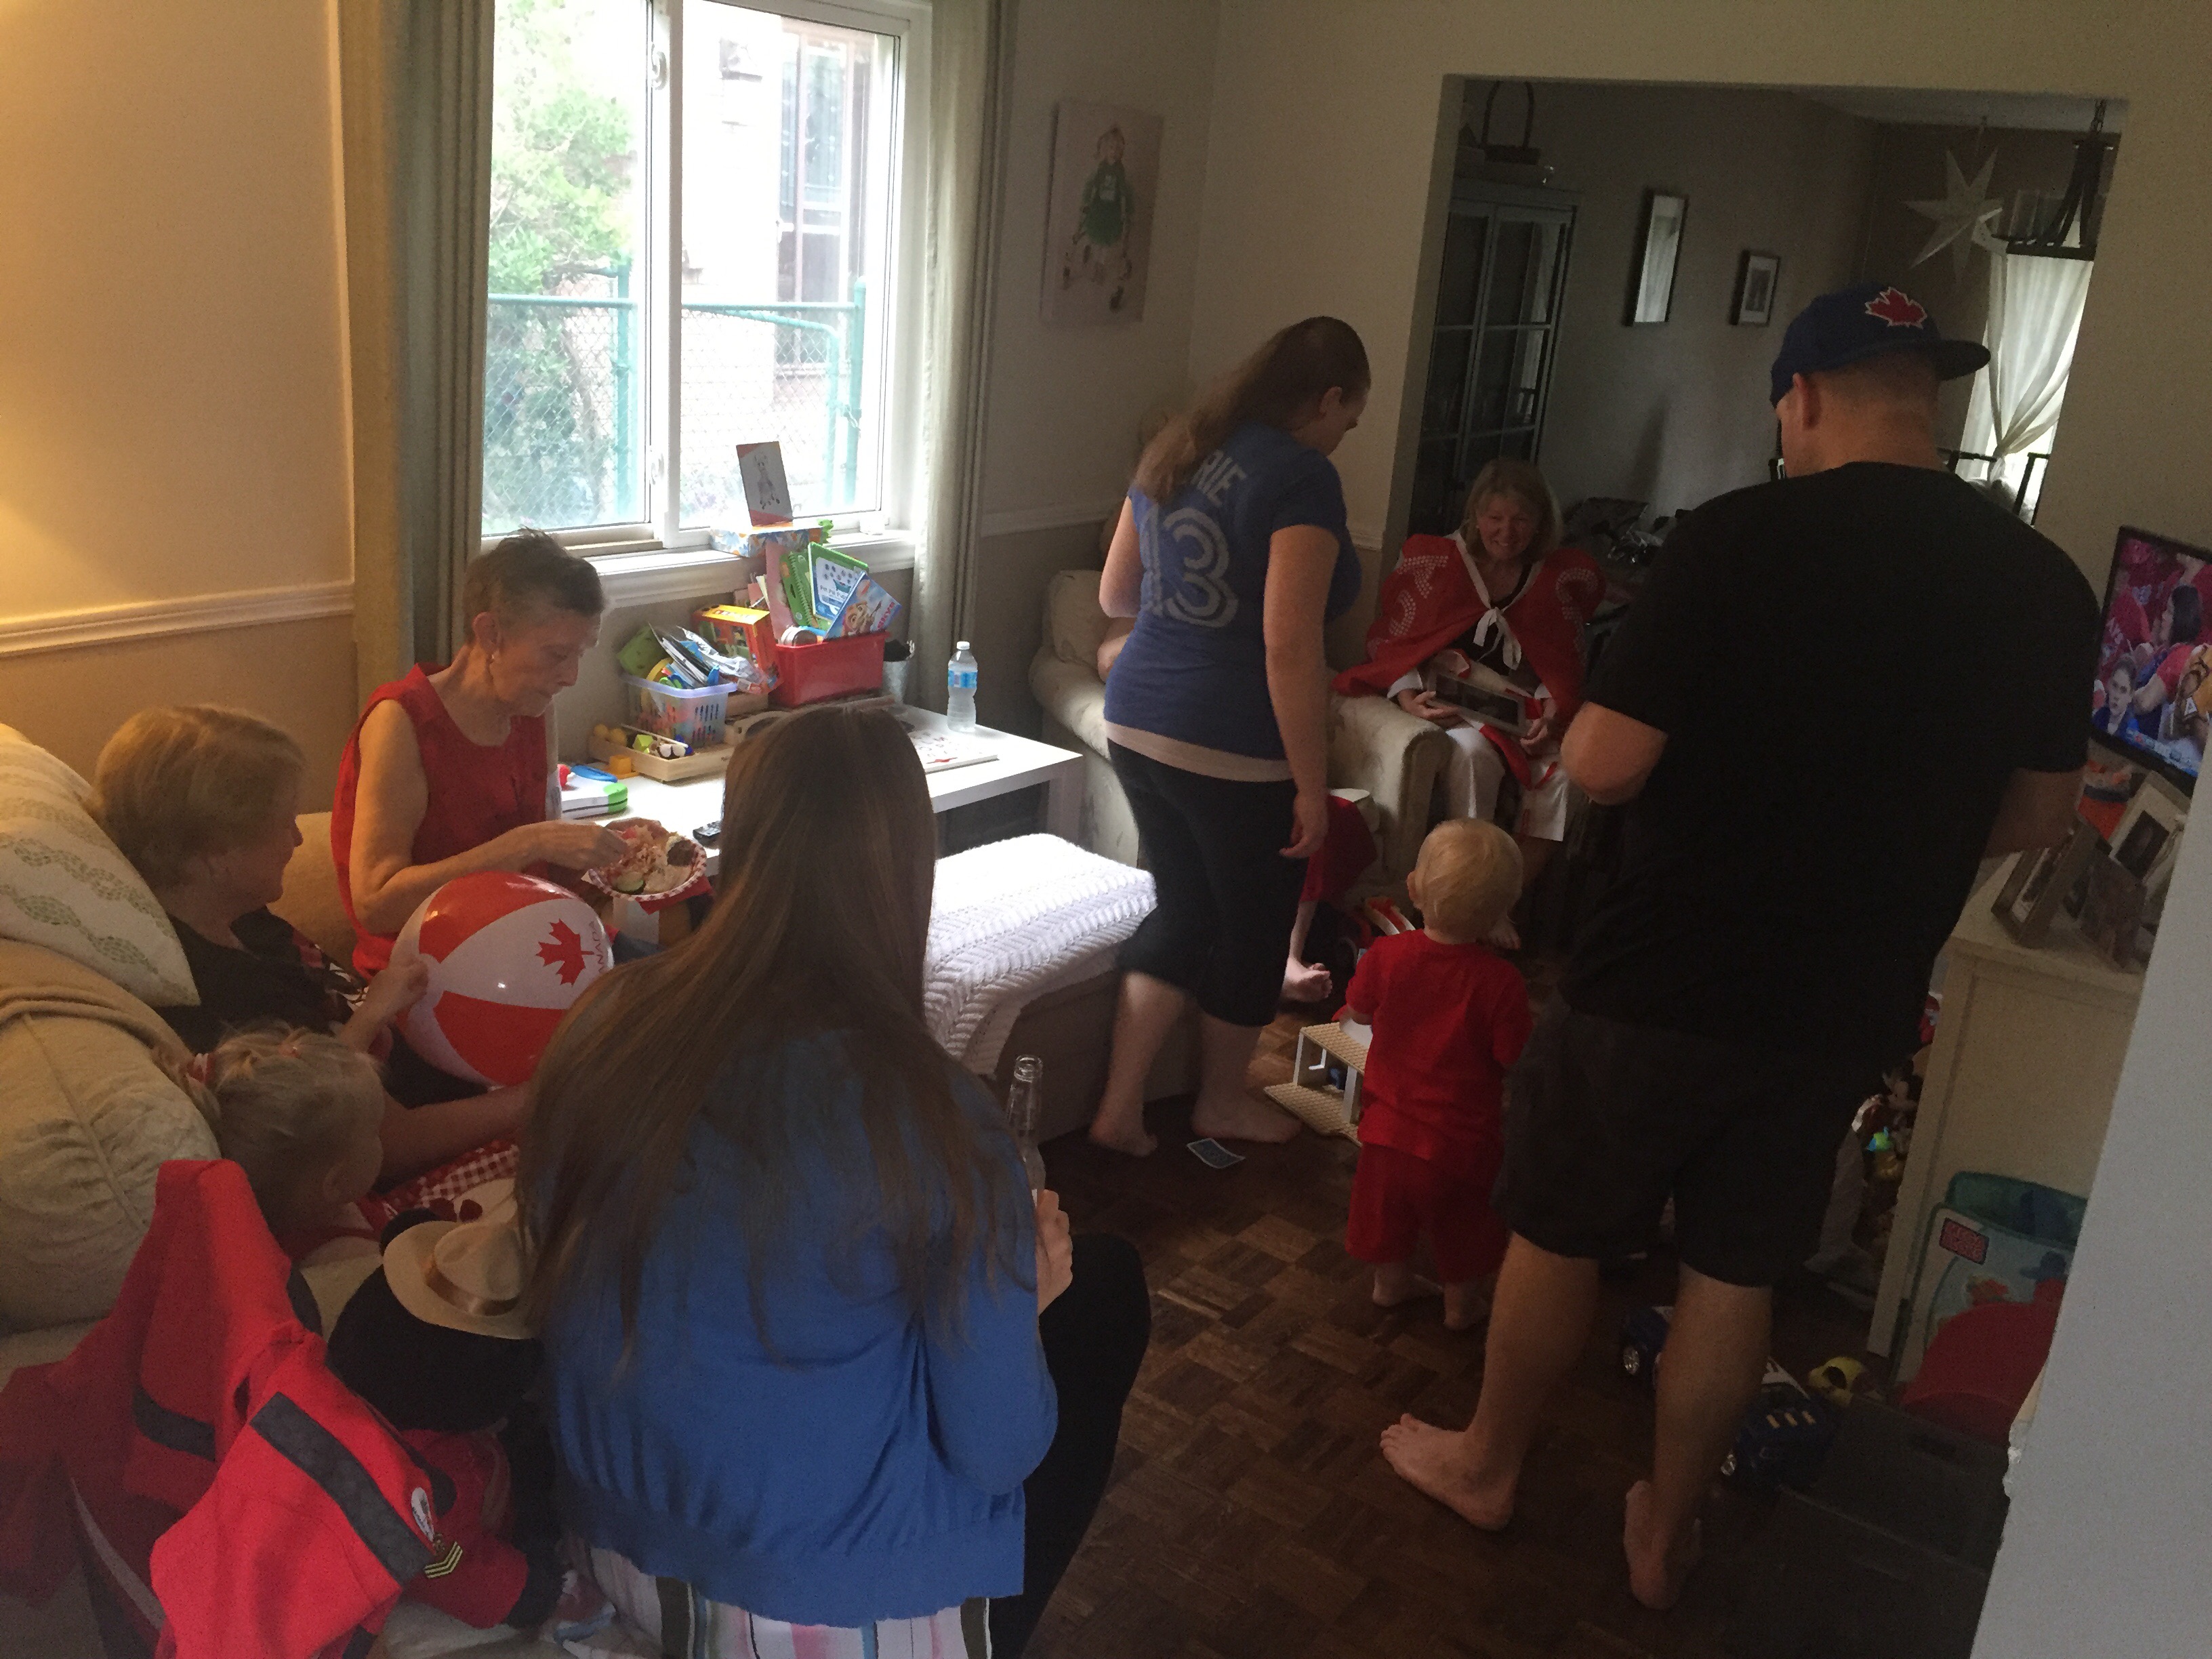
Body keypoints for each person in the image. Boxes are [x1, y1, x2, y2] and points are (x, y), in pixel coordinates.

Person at [1378, 283, 2099, 1611]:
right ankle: (1663, 1532)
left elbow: (1604, 765)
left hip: (1661, 971)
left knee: (1559, 1228)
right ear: (1925, 396)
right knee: (1733, 1267)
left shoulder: (1733, 540)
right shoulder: (2043, 581)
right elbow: (2040, 814)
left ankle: (1487, 1464)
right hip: (1844, 996)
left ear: (1800, 397)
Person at [521, 707, 1148, 1658]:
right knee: (1101, 1294)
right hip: (821, 1607)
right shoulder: (934, 1115)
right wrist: (1022, 1307)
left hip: (611, 1546)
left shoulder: (604, 1022)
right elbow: (999, 1451)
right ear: (909, 872)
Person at [1086, 316, 1372, 1156]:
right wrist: (1311, 786)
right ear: (1326, 399)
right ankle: (1220, 1103)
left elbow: (1115, 596)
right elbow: (1291, 646)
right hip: (1231, 739)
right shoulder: (1302, 478)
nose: (1344, 437)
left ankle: (1118, 1110)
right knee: (1252, 928)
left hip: (1137, 719)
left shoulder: (1177, 447)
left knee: (1183, 907)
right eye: (1350, 419)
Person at [94, 704, 532, 1176]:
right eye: (284, 823)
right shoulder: (230, 1000)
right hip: (440, 1148)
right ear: (218, 855)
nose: (299, 839)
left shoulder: (242, 916)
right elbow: (393, 1142)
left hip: (453, 1059)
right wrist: (540, 1093)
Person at [333, 531, 626, 987]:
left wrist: (606, 851)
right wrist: (527, 844)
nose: (571, 676)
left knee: (688, 982)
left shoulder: (533, 708)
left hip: (527, 945)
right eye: (556, 654)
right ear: (491, 633)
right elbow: (376, 904)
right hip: (431, 975)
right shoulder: (401, 722)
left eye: (580, 655)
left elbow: (545, 865)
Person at [1337, 459, 1605, 916]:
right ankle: (1465, 895)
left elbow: (1559, 663)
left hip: (1520, 709)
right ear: (1476, 516)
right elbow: (1399, 646)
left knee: (1565, 773)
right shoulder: (1440, 564)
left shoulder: (1552, 579)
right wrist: (1408, 699)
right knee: (1474, 757)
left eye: (1521, 519)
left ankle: (1499, 903)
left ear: (1540, 522)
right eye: (1495, 517)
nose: (1507, 532)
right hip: (1453, 708)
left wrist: (1552, 711)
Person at [1341, 819, 1530, 1331]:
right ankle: (1460, 1307)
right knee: (1466, 1229)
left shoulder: (1386, 955)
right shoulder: (1502, 983)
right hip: (1461, 1143)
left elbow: (1357, 1013)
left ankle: (1389, 1286)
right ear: (1502, 913)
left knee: (1388, 1220)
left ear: (1413, 888)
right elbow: (1513, 1057)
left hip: (1386, 1134)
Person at [171, 1027, 387, 1254]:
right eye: (374, 1132)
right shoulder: (352, 1255)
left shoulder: (330, 1194)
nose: (381, 1138)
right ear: (335, 1182)